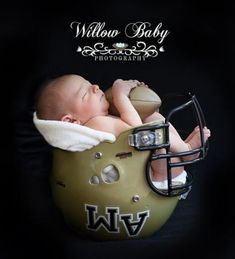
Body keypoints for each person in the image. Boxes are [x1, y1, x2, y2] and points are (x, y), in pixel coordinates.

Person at [35, 74, 211, 182]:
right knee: (153, 127)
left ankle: (181, 146)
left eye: (90, 84)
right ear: (71, 121)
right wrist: (121, 97)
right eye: (86, 92)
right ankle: (186, 149)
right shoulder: (95, 124)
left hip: (145, 164)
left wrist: (141, 103)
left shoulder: (98, 120)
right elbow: (135, 130)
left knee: (152, 117)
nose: (95, 87)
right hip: (151, 175)